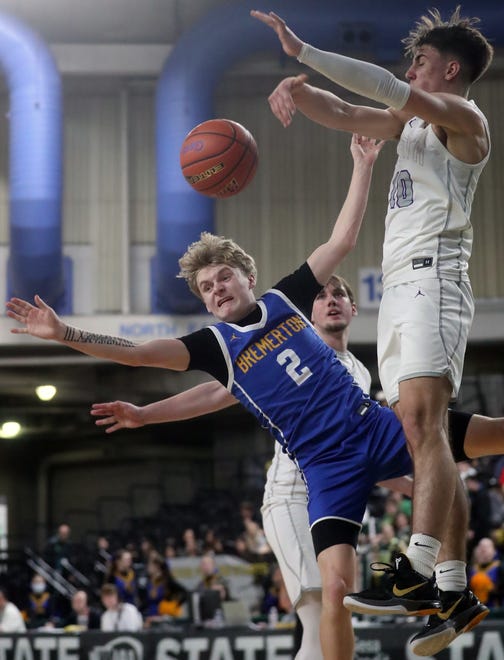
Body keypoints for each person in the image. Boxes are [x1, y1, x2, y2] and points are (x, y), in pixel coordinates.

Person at [7, 133, 387, 660]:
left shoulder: (308, 333)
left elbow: (214, 398)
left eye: (224, 278)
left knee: (331, 617)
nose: (216, 290)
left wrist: (363, 162)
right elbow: (143, 356)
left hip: (335, 486)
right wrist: (68, 333)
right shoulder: (220, 344)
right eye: (206, 287)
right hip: (294, 492)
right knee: (326, 613)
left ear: (248, 278)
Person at [250, 7, 493, 656]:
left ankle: (414, 570)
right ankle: (453, 591)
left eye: (418, 62)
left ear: (448, 69)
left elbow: (385, 91)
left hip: (433, 279)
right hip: (398, 292)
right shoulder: (410, 122)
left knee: (422, 426)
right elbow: (352, 113)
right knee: (427, 436)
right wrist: (304, 95)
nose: (408, 69)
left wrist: (303, 51)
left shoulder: (466, 121)